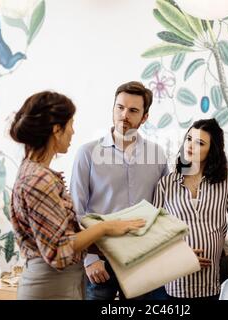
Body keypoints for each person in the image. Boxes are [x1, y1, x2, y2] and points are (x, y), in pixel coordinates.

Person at [9, 91, 145, 300]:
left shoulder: (35, 172)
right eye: (70, 124)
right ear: (56, 130)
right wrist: (105, 227)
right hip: (51, 288)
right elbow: (58, 252)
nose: (73, 131)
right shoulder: (38, 180)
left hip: (63, 284)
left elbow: (64, 237)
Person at [152, 118, 228, 300]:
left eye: (200, 143)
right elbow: (154, 233)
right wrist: (177, 253)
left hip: (210, 284)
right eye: (189, 139)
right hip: (174, 283)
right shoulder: (166, 183)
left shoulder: (226, 178)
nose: (191, 146)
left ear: (212, 150)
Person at [70, 81, 169, 300]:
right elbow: (76, 211)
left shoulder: (158, 155)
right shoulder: (87, 153)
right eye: (120, 107)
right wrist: (90, 260)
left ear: (144, 117)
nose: (124, 115)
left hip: (142, 258)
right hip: (100, 261)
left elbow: (164, 209)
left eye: (133, 110)